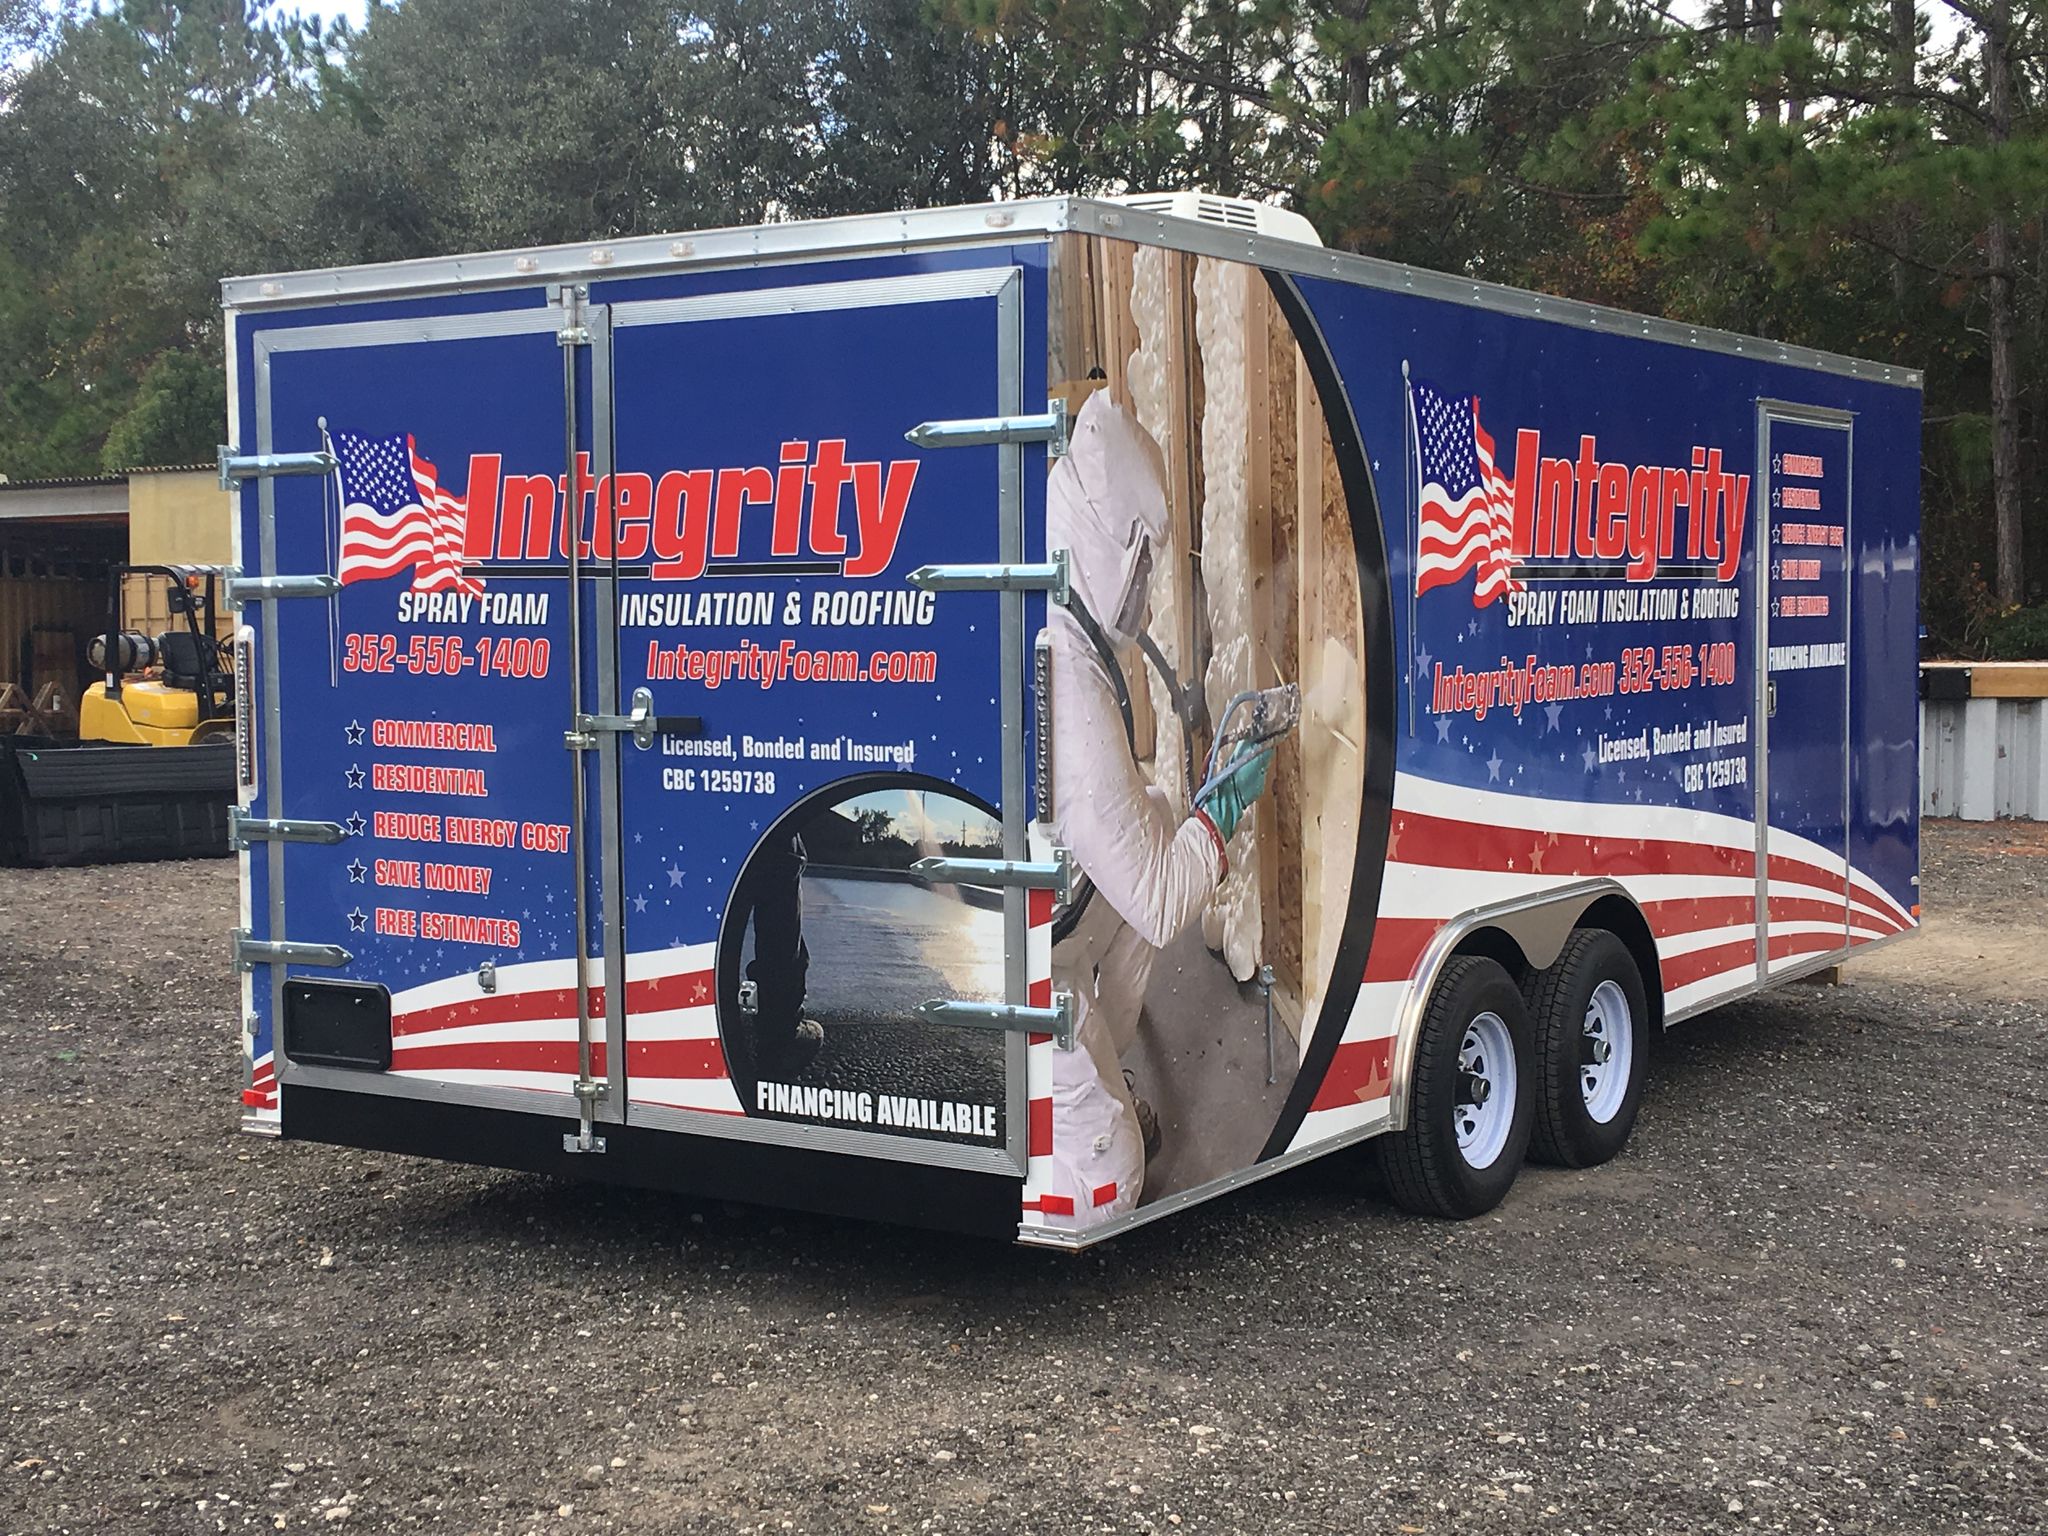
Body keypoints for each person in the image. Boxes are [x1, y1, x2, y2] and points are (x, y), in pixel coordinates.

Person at [1040, 389, 1272, 1227]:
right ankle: (1077, 1122)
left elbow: (1131, 820)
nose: (1143, 592)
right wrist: (1227, 806)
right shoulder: (1065, 683)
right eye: (1142, 564)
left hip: (1049, 921)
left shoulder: (1062, 627)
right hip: (1033, 969)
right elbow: (1165, 901)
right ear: (1107, 550)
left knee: (1159, 804)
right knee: (1107, 1189)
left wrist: (1184, 803)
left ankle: (1100, 1050)